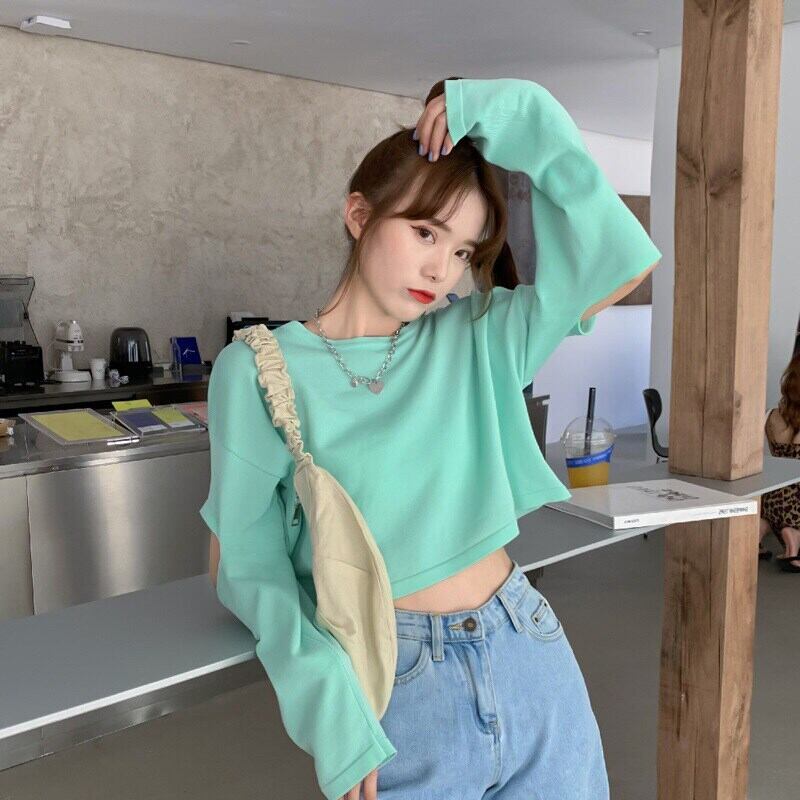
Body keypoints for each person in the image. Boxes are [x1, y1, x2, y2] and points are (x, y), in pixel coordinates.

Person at [201, 76, 661, 800]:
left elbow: (620, 257)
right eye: (425, 232)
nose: (441, 270)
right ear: (359, 214)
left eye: (463, 250)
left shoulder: (476, 337)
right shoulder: (259, 370)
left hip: (526, 646)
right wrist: (330, 706)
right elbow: (243, 562)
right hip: (396, 686)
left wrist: (512, 112)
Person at [759, 351, 800, 572]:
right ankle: (792, 541)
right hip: (796, 503)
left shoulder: (770, 415)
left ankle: (755, 538)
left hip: (771, 495)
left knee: (765, 516)